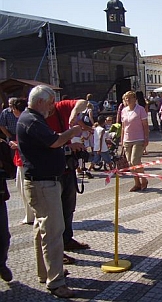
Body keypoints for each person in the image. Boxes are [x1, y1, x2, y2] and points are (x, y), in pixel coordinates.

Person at [17, 85, 82, 298]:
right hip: (43, 184)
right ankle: (56, 282)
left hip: (42, 182)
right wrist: (72, 132)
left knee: (41, 228)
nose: (53, 107)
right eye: (51, 102)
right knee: (53, 231)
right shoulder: (32, 120)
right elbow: (54, 141)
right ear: (41, 102)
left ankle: (45, 272)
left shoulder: (32, 118)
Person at [45, 95, 91, 260]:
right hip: (50, 172)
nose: (50, 107)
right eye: (47, 104)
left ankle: (67, 239)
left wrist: (74, 113)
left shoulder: (59, 108)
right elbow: (49, 142)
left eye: (52, 103)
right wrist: (68, 144)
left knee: (68, 206)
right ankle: (57, 252)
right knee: (54, 213)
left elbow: (83, 102)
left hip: (67, 168)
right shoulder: (36, 118)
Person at [9, 98, 35, 224]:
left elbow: (29, 142)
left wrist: (16, 145)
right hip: (21, 159)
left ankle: (30, 215)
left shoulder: (24, 120)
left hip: (24, 160)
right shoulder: (25, 119)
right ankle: (28, 214)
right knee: (22, 188)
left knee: (25, 189)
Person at [121, 91, 149, 192]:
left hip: (139, 138)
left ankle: (144, 179)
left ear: (134, 99)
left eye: (129, 98)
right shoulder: (124, 111)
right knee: (130, 164)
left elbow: (145, 125)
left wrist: (146, 138)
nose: (127, 100)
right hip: (127, 139)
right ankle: (137, 183)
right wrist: (121, 140)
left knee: (135, 161)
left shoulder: (140, 109)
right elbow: (123, 127)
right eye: (126, 98)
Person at [0, 139, 14, 283]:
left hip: (0, 197)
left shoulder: (1, 145)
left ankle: (1, 263)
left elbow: (12, 171)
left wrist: (3, 164)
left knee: (3, 237)